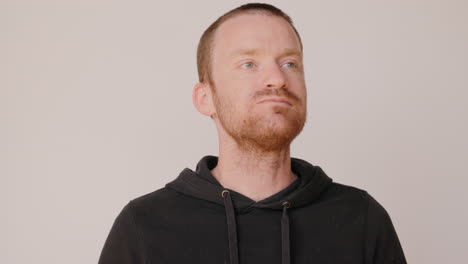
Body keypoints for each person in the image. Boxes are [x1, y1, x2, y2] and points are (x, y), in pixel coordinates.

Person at [98, 3, 407, 264]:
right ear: (205, 98)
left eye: (290, 63)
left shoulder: (362, 219)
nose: (277, 79)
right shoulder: (143, 226)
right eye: (248, 64)